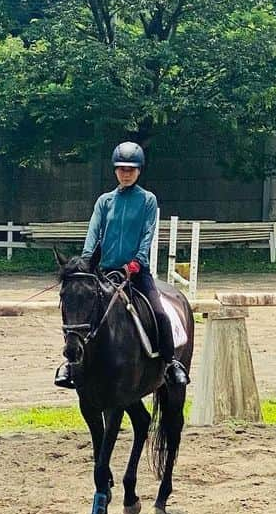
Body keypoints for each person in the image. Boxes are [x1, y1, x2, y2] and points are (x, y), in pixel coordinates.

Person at [54, 141, 189, 389]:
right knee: (81, 312)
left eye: (131, 169)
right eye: (121, 169)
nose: (126, 173)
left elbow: (147, 234)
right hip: (104, 272)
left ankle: (170, 364)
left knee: (159, 313)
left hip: (135, 274)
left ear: (139, 171)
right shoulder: (104, 201)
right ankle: (72, 365)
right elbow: (93, 234)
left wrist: (137, 262)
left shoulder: (147, 200)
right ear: (115, 171)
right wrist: (86, 262)